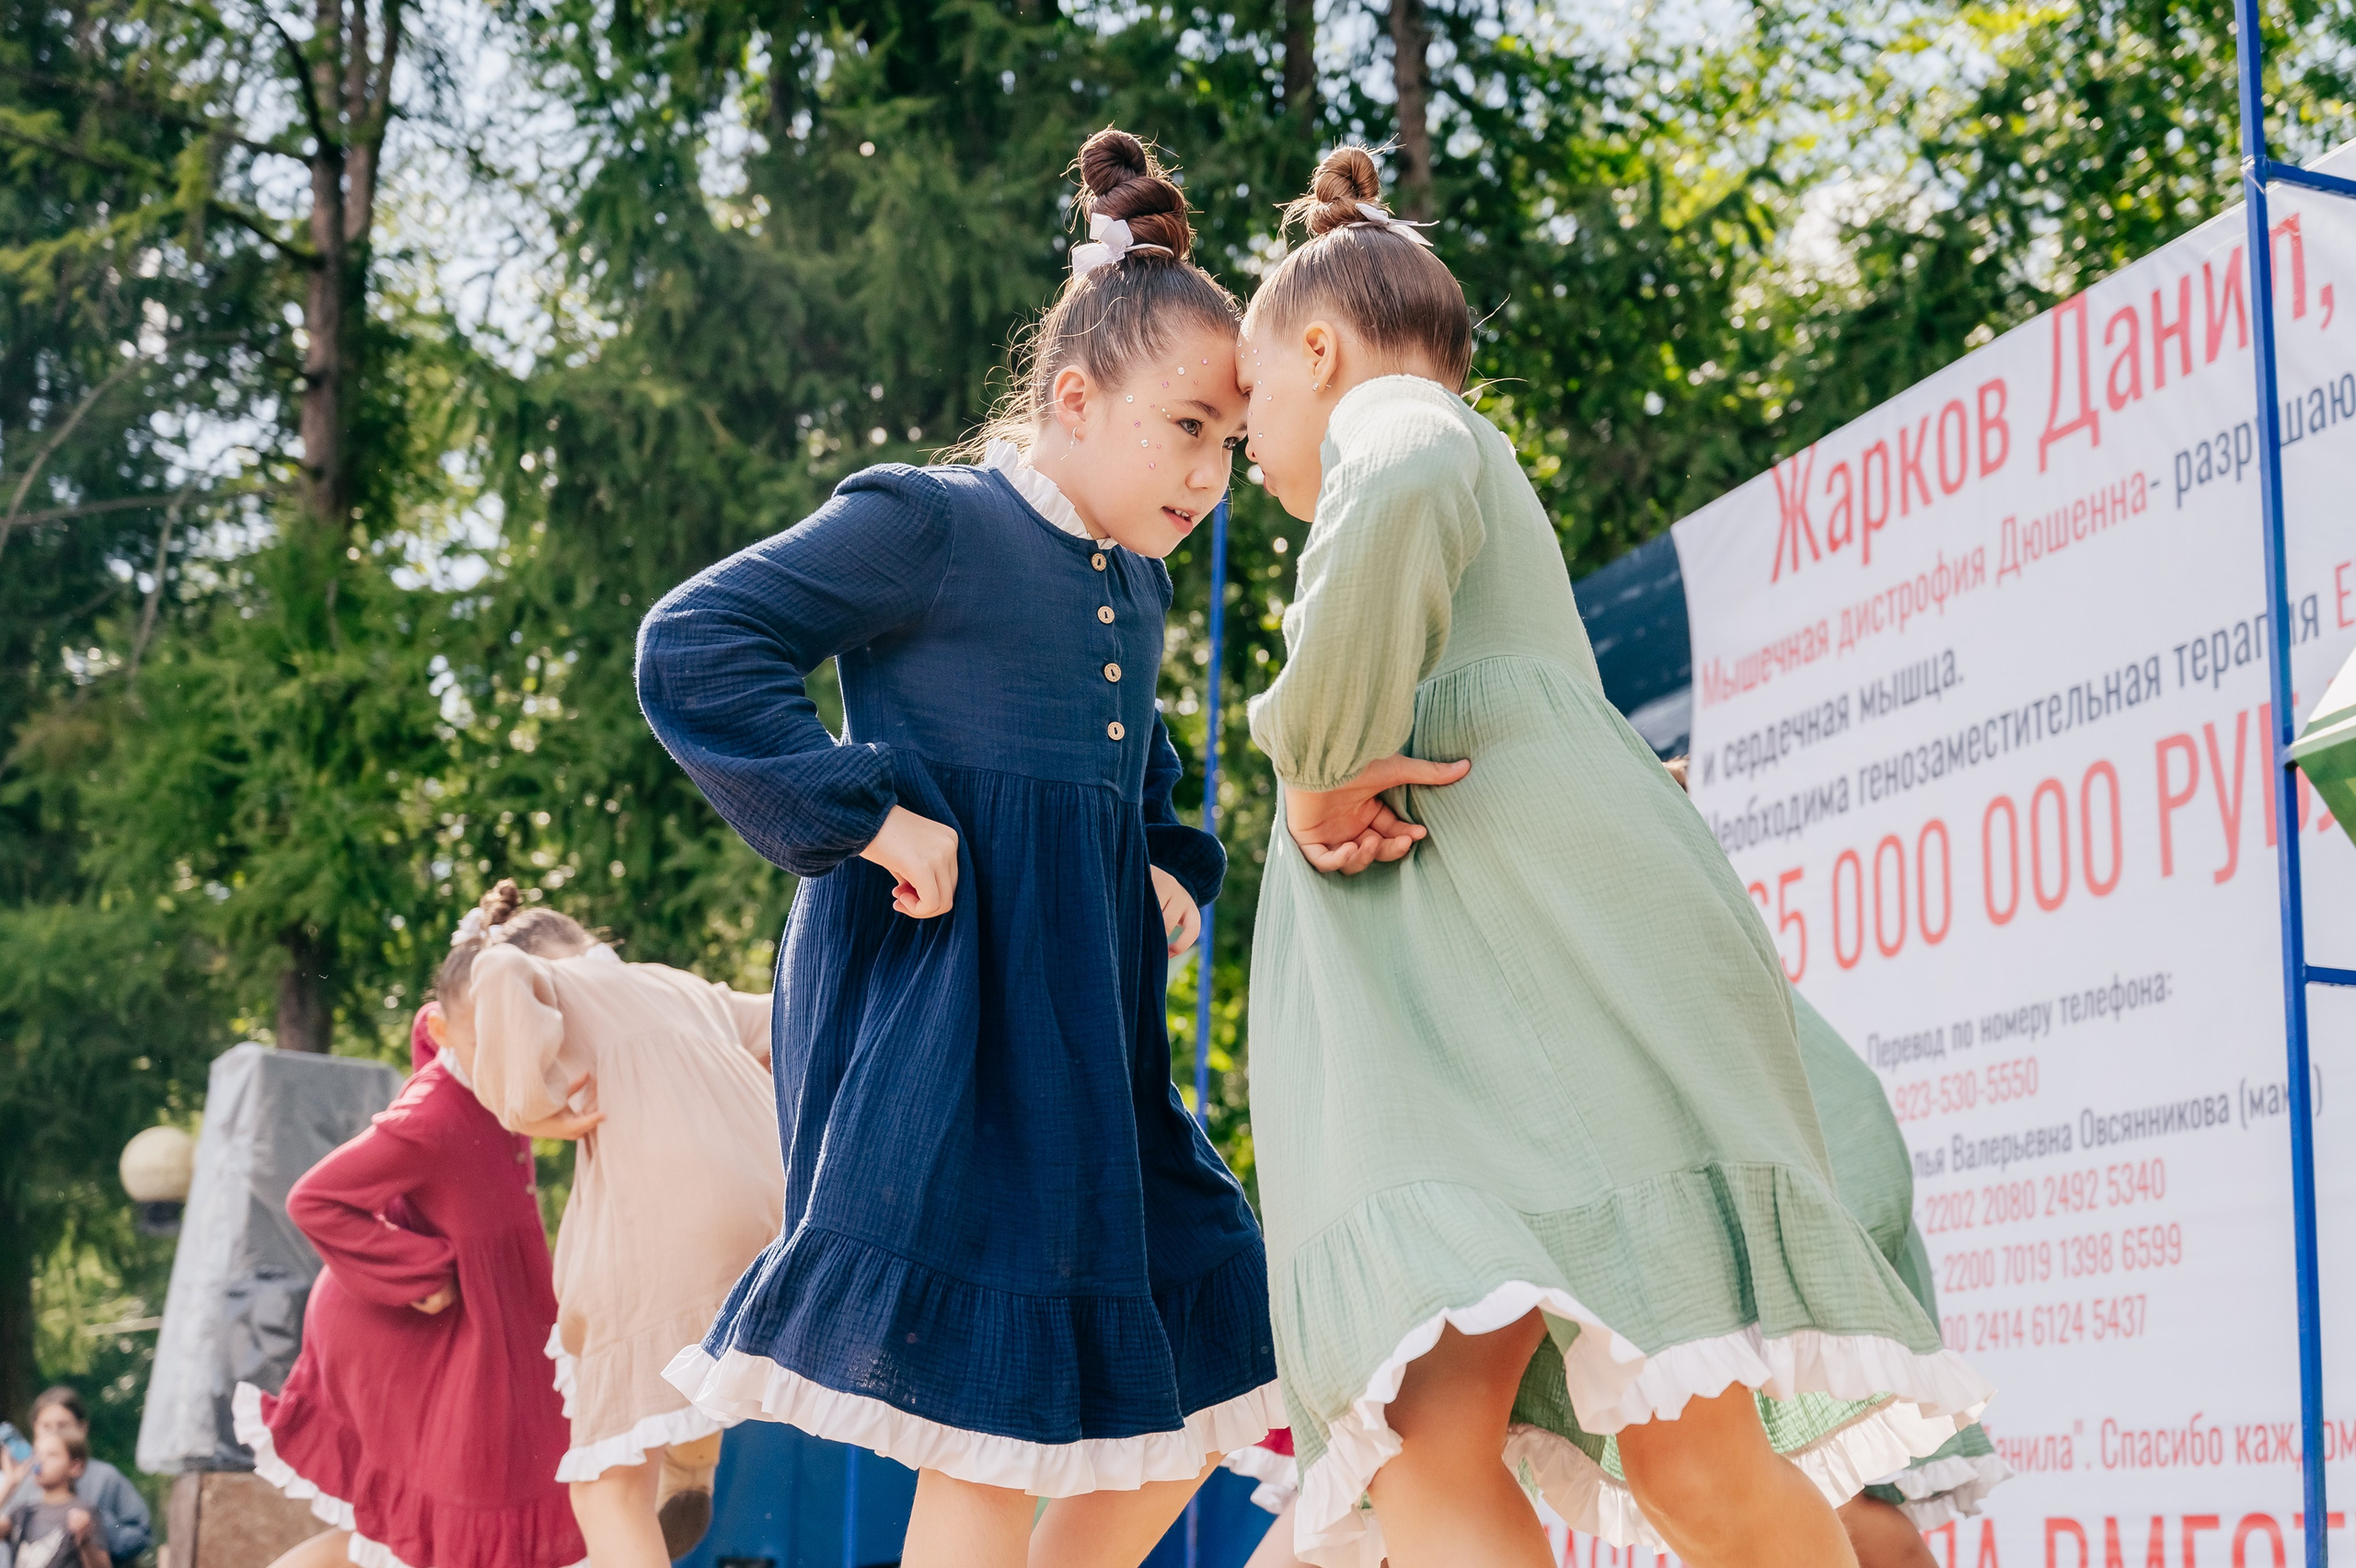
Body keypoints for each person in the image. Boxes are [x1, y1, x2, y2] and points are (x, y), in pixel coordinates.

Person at [1234, 145, 1992, 1568]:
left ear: (1322, 352)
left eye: (1252, 400)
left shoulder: (1396, 425)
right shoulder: (1473, 509)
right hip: (1515, 999)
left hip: (1481, 1015)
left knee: (1432, 1443)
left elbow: (1389, 475)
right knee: (1683, 1447)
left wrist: (1319, 763)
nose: (1245, 439)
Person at [637, 126, 1277, 1568]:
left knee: (1228, 1341)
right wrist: (864, 814)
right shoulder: (932, 524)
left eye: (1231, 443)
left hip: (1088, 1049)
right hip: (947, 1037)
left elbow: (1137, 761)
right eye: (1188, 426)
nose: (1212, 472)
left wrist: (1174, 858)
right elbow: (696, 643)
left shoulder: (1132, 584)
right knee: (992, 1424)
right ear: (1074, 398)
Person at [429, 879, 783, 1568]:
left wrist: (523, 1107)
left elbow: (500, 971)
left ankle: (669, 1483)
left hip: (667, 1226)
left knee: (605, 1485)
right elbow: (793, 1017)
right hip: (772, 1213)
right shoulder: (683, 989)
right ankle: (690, 1466)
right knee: (686, 1366)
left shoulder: (542, 977)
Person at [229, 1003, 584, 1568]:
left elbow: (436, 1025)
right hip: (407, 1331)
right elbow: (314, 1200)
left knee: (420, 1536)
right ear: (451, 1031)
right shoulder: (432, 1113)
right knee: (442, 1529)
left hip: (484, 1326)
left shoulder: (494, 1088)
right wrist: (418, 1269)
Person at [0, 1389, 150, 1567]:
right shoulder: (23, 1502)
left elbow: (139, 1536)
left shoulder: (105, 1478)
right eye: (46, 1427)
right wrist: (9, 1484)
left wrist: (92, 1531)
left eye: (62, 1426)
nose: (54, 1433)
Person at [0, 1431, 109, 1568]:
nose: (39, 1460)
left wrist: (85, 1542)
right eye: (36, 1453)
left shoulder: (84, 1511)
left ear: (75, 1467)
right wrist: (9, 1484)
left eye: (51, 1455)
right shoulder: (23, 1511)